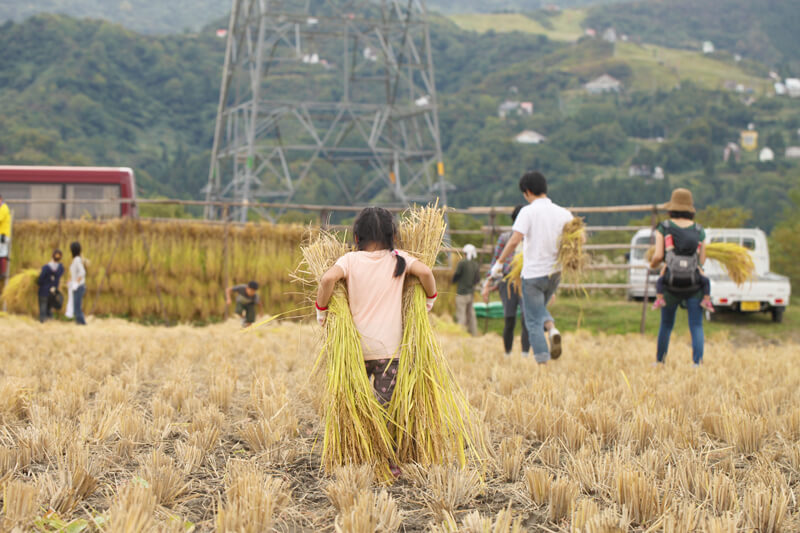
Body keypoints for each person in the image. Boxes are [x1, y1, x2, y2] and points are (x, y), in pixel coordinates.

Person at [315, 207, 437, 408]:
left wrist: (322, 309)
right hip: (389, 353)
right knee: (386, 409)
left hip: (355, 350)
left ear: (356, 236)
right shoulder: (399, 258)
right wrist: (430, 298)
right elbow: (425, 272)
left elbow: (327, 278)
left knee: (355, 409)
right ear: (393, 236)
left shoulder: (350, 260)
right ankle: (383, 440)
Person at [490, 172, 572, 364]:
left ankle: (542, 362)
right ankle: (552, 329)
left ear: (527, 192)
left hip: (534, 274)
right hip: (555, 273)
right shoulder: (564, 213)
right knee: (538, 308)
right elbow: (576, 240)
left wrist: (499, 263)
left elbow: (514, 241)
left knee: (533, 320)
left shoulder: (528, 212)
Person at [649, 188, 707, 366]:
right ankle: (697, 363)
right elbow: (702, 260)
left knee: (666, 324)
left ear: (671, 207)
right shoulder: (699, 230)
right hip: (694, 285)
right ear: (690, 208)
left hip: (671, 284)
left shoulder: (664, 227)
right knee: (696, 325)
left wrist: (652, 265)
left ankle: (660, 361)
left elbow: (658, 256)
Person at [481, 205, 530, 356]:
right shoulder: (505, 238)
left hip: (527, 281)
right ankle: (507, 353)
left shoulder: (531, 239)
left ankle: (525, 353)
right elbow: (496, 261)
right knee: (509, 319)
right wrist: (488, 283)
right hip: (507, 282)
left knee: (526, 319)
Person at [652, 233, 714, 312]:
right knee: (706, 281)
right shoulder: (693, 252)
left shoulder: (671, 251)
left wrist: (662, 273)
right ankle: (707, 300)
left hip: (672, 281)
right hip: (692, 283)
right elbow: (698, 265)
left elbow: (667, 263)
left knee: (660, 281)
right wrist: (702, 273)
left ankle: (659, 299)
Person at [452, 243, 480, 336]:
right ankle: (474, 333)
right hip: (470, 293)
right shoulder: (475, 264)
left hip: (462, 293)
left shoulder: (462, 263)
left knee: (461, 314)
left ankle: (461, 334)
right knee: (471, 314)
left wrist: (452, 281)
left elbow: (457, 275)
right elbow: (477, 279)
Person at [37, 249, 64, 323]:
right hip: (53, 292)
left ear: (52, 256)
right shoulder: (60, 268)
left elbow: (40, 279)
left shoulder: (46, 267)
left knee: (43, 307)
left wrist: (39, 283)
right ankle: (50, 322)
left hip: (43, 291)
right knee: (50, 308)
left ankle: (43, 322)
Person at [67, 241, 87, 325]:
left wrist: (76, 282)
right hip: (77, 286)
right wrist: (70, 280)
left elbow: (82, 272)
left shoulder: (77, 260)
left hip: (78, 286)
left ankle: (82, 323)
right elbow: (75, 272)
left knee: (77, 307)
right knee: (76, 306)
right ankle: (79, 323)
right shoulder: (76, 260)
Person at [0, 193, 10, 285]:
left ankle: (2, 272)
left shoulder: (4, 208)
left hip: (3, 235)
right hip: (1, 234)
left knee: (2, 253)